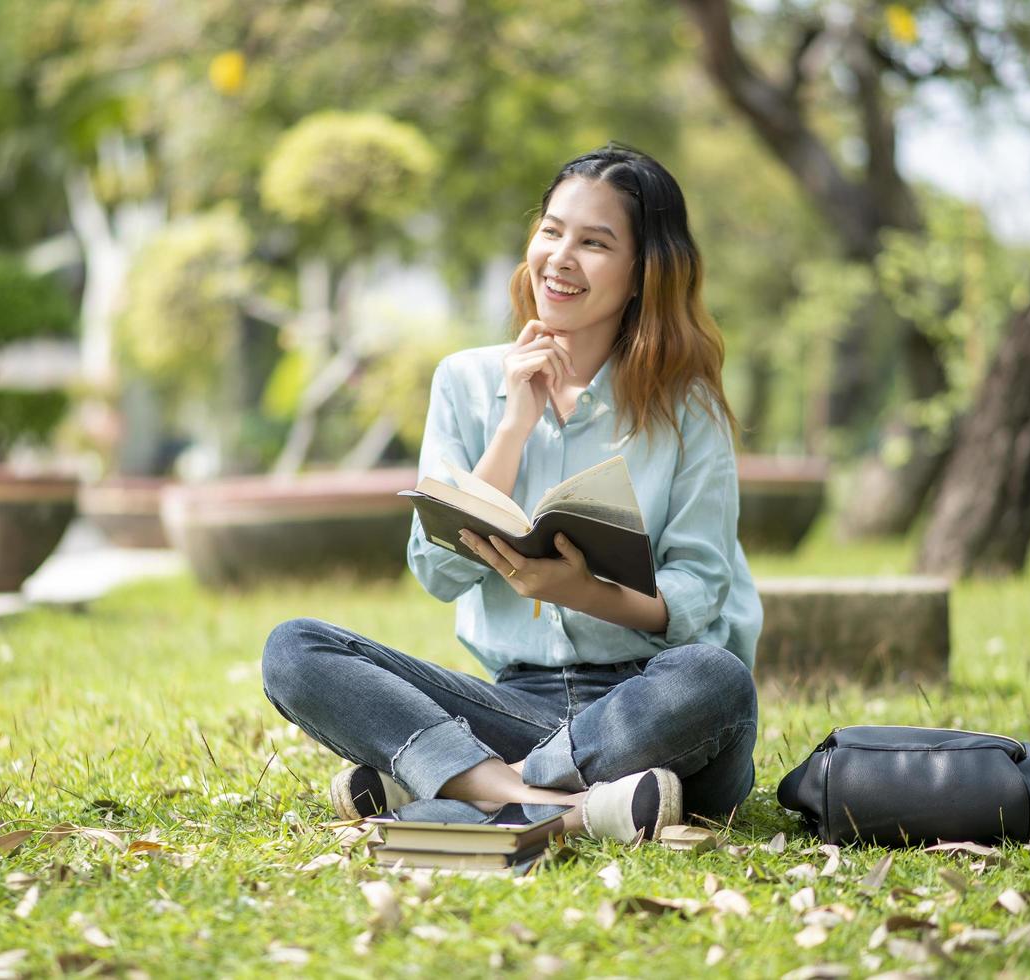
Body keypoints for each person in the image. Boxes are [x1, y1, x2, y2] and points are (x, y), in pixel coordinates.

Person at [262, 145, 762, 842]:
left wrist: (578, 590)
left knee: (714, 678)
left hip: (650, 707)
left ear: (644, 273)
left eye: (594, 243)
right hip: (514, 699)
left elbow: (698, 593)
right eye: (551, 230)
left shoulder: (688, 408)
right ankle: (561, 807)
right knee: (294, 649)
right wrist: (513, 427)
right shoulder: (466, 382)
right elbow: (437, 571)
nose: (560, 257)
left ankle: (457, 782)